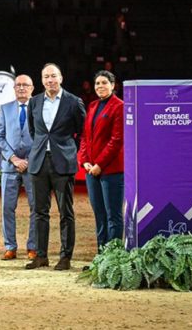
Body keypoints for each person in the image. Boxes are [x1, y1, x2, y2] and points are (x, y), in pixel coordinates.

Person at [25, 63, 85, 271]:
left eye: (53, 76)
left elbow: (82, 132)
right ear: (41, 80)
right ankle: (41, 256)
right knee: (39, 212)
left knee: (65, 212)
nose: (50, 80)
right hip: (39, 161)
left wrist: (68, 149)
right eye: (46, 77)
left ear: (61, 78)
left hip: (63, 163)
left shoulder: (73, 102)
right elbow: (34, 131)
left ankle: (65, 257)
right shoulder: (34, 102)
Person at [78, 70, 124, 251]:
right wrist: (85, 161)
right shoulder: (92, 106)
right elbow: (84, 137)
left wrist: (100, 164)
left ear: (113, 85)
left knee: (113, 216)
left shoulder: (119, 106)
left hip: (111, 171)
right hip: (91, 170)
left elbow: (117, 140)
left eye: (104, 82)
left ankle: (113, 257)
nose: (100, 86)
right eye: (97, 83)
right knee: (99, 215)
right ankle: (101, 255)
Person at [0, 74, 37, 261]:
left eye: (25, 85)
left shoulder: (39, 108)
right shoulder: (5, 108)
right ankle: (10, 247)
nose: (21, 88)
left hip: (32, 166)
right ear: (13, 88)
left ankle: (33, 247)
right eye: (18, 85)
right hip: (9, 166)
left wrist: (27, 160)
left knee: (36, 207)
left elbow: (42, 136)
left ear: (32, 88)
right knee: (7, 208)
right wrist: (13, 159)